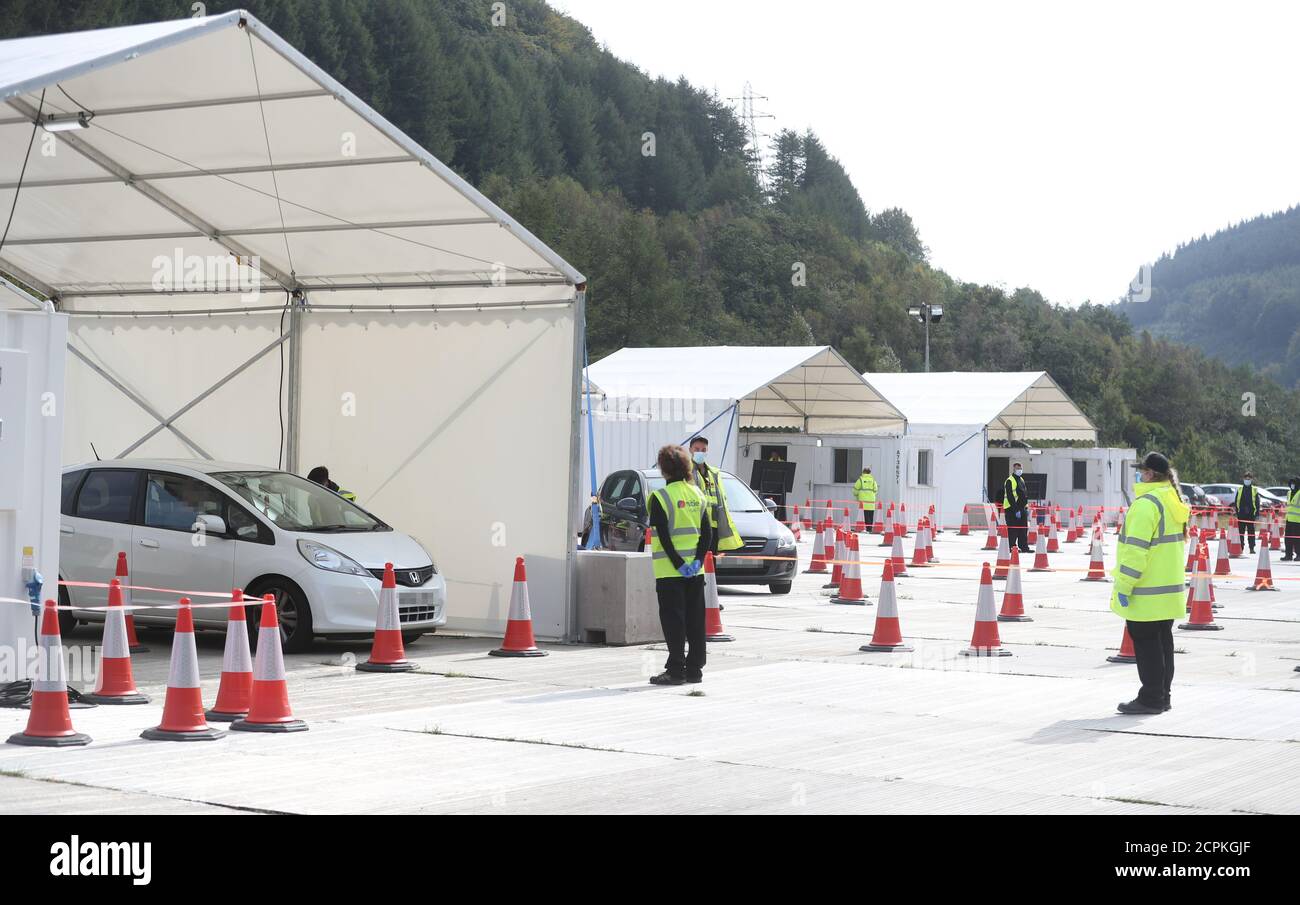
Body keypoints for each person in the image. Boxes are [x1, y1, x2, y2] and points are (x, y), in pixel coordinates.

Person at [1111, 452, 1189, 715]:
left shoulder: (1146, 504)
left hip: (1146, 591)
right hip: (1167, 590)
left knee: (1147, 646)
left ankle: (1151, 698)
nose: (1138, 475)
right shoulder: (1172, 500)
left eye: (1141, 471)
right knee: (1163, 643)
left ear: (1148, 474)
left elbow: (1135, 551)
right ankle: (1162, 696)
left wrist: (1123, 586)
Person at [648, 445, 714, 686]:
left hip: (669, 571)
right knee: (696, 619)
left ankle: (675, 670)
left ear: (664, 470)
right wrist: (696, 561)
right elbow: (707, 534)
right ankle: (695, 669)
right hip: (696, 571)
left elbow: (663, 536)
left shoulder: (660, 498)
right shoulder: (698, 495)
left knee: (674, 620)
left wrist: (677, 563)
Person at [688, 436, 743, 555]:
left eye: (703, 450)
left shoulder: (714, 473)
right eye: (697, 449)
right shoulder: (686, 472)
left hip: (712, 526)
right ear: (690, 450)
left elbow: (721, 501)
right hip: (694, 525)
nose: (700, 452)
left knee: (710, 563)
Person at [1002, 462, 1032, 552]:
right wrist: (1015, 510)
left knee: (1023, 529)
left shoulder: (1021, 480)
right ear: (1014, 469)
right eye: (1017, 468)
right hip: (1012, 509)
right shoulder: (1009, 480)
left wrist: (1025, 508)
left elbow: (1024, 494)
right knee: (1013, 529)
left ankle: (1024, 547)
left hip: (1022, 509)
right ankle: (1012, 547)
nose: (1019, 470)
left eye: (1020, 468)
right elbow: (1010, 497)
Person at [1234, 472, 1261, 554]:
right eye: (1246, 479)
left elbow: (1257, 503)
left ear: (1251, 480)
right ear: (1243, 479)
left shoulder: (1254, 490)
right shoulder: (1240, 489)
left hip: (1250, 514)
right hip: (1241, 513)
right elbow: (1236, 501)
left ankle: (1252, 548)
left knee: (1251, 532)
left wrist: (1257, 514)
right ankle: (1241, 547)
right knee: (1241, 532)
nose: (1247, 481)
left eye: (1249, 479)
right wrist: (1237, 512)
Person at [853, 466, 879, 531]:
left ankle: (867, 529)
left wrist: (857, 495)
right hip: (871, 501)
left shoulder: (860, 480)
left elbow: (855, 490)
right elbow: (875, 490)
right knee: (871, 515)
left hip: (863, 501)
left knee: (865, 515)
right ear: (870, 472)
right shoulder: (873, 480)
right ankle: (870, 528)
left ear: (863, 472)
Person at [1284, 476, 1300, 562]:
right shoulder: (1289, 493)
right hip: (1289, 519)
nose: (1292, 485)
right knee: (1288, 538)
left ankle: (1299, 554)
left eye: (1294, 483)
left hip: (1298, 520)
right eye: (1291, 483)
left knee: (1297, 539)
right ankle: (1288, 555)